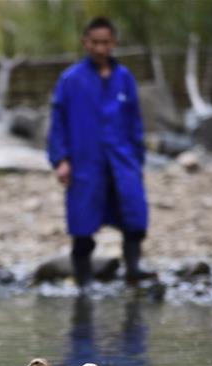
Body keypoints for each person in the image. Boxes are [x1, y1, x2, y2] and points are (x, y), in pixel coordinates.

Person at [47, 16, 156, 289]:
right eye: (94, 43)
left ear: (114, 43)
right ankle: (83, 282)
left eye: (105, 43)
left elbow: (134, 121)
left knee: (134, 214)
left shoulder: (124, 78)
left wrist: (137, 156)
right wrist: (61, 159)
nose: (99, 48)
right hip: (86, 160)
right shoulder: (70, 80)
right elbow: (58, 121)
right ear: (85, 42)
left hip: (122, 159)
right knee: (82, 222)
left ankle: (133, 271)